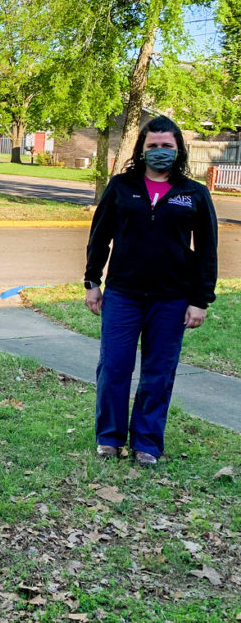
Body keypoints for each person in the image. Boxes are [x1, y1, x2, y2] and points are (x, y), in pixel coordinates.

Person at [84, 115, 217, 465]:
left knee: (159, 372)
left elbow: (207, 252)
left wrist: (200, 300)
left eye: (166, 146)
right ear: (142, 149)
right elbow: (100, 237)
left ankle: (146, 443)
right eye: (153, 146)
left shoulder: (194, 194)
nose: (159, 152)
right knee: (114, 367)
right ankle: (109, 437)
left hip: (172, 298)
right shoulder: (121, 186)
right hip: (123, 294)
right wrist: (92, 281)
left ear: (178, 150)